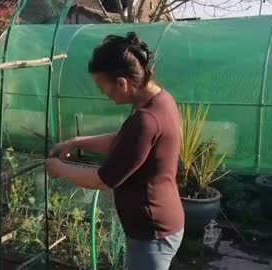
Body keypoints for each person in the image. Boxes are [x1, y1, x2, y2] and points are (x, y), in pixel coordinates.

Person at [45, 32, 184, 270]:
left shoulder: (147, 120)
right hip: (156, 226)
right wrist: (76, 142)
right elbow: (123, 143)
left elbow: (103, 180)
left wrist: (61, 169)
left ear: (122, 83)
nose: (103, 94)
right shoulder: (161, 100)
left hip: (151, 233)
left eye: (103, 88)